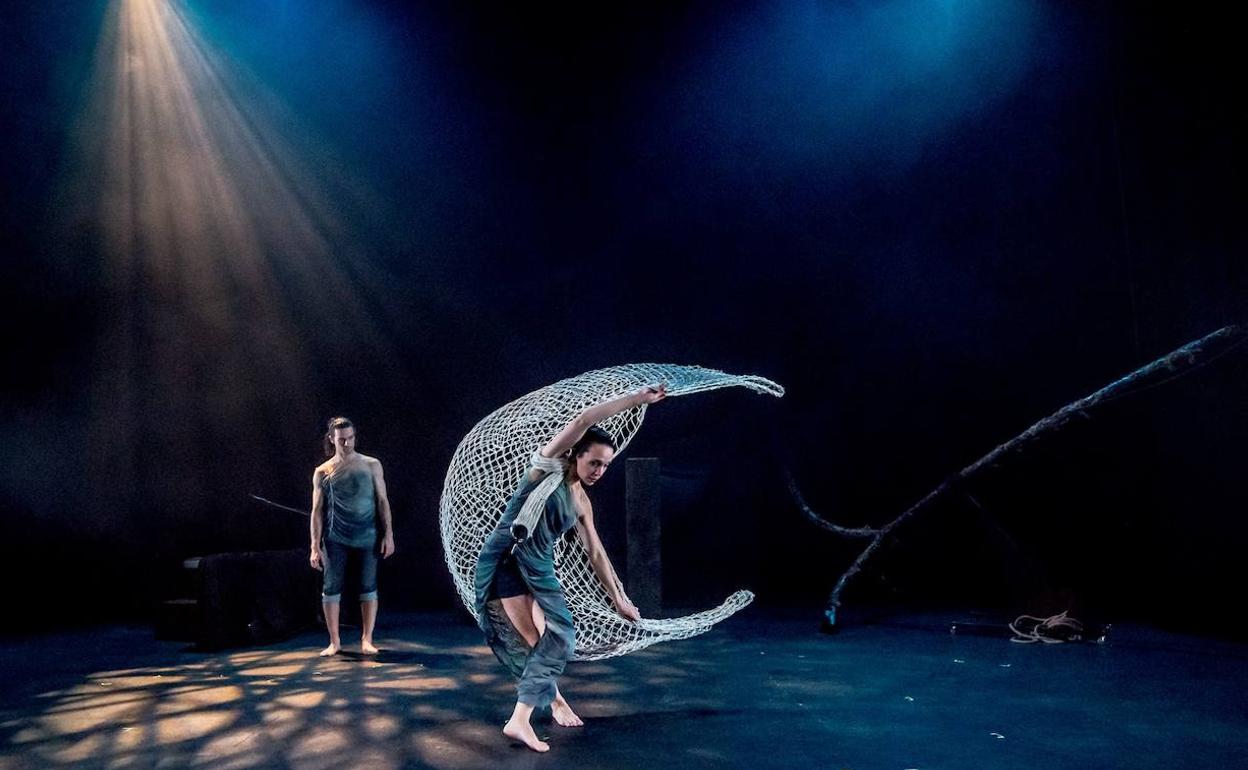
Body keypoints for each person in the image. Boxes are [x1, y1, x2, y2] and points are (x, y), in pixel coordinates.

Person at [475, 383, 667, 752]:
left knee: (554, 637)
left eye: (606, 465)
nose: (599, 471)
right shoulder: (545, 467)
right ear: (576, 454)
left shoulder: (582, 501)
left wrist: (619, 599)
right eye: (594, 462)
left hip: (540, 568)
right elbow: (583, 420)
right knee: (542, 639)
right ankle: (532, 714)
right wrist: (637, 400)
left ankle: (530, 713)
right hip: (508, 562)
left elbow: (596, 553)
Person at [310, 416, 396, 656]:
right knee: (331, 587)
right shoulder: (323, 471)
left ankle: (367, 639)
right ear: (332, 439)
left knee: (368, 585)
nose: (347, 443)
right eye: (341, 440)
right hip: (335, 536)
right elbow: (316, 511)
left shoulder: (371, 464)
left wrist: (388, 535)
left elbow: (382, 501)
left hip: (367, 535)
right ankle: (334, 641)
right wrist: (314, 546)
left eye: (350, 438)